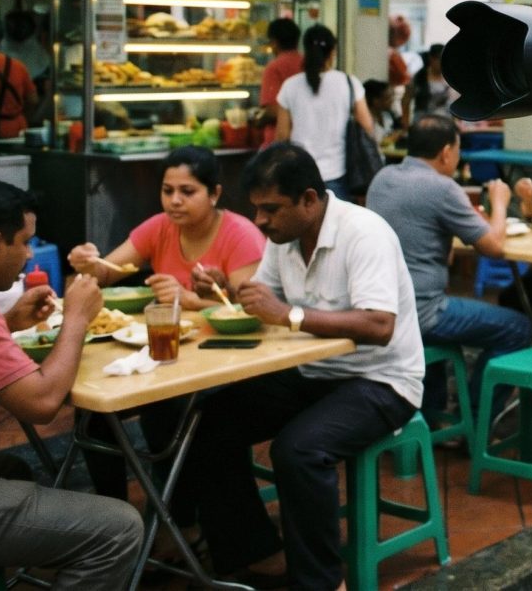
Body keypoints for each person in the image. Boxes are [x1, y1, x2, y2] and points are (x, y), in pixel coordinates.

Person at [171, 143, 423, 590]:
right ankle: (257, 554)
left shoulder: (364, 233)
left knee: (298, 450)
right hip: (314, 372)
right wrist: (222, 289)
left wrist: (289, 314)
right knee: (208, 424)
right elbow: (262, 301)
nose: (260, 221)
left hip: (381, 381)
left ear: (309, 199)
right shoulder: (284, 239)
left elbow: (379, 325)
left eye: (271, 209)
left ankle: (323, 583)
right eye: (256, 209)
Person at [0, 178, 144, 586]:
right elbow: (42, 404)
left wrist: (7, 323)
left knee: (12, 469)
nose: (29, 255)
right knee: (119, 530)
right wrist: (76, 317)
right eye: (25, 243)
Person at [66, 145, 265, 508]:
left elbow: (250, 311)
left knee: (165, 412)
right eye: (167, 190)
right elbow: (106, 273)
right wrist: (86, 263)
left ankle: (180, 514)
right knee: (94, 416)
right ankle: (114, 516)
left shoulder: (241, 234)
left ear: (214, 193)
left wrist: (188, 300)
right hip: (164, 356)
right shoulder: (160, 227)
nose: (174, 201)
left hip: (224, 364)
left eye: (187, 191)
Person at [367, 114, 531, 413]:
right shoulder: (442, 188)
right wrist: (500, 202)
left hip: (381, 309)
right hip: (424, 312)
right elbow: (494, 247)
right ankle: (478, 419)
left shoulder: (383, 178)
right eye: (457, 150)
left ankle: (434, 417)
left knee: (445, 341)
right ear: (446, 152)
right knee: (518, 327)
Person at [275, 24, 376, 199]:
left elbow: (282, 135)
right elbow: (367, 126)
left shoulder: (290, 86)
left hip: (300, 172)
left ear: (305, 51)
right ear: (332, 52)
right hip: (337, 172)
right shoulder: (348, 83)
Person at [258, 17, 303, 146]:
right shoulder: (308, 63)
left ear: (274, 42)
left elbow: (274, 110)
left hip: (279, 142)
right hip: (303, 138)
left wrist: (259, 121)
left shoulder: (274, 67)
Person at [412, 43, 458, 116]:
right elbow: (406, 100)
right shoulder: (419, 77)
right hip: (423, 117)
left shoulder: (450, 77)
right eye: (439, 59)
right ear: (431, 58)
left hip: (445, 117)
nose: (442, 62)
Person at [362, 78, 401, 145]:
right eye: (388, 98)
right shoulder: (364, 120)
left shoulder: (387, 115)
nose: (392, 100)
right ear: (376, 101)